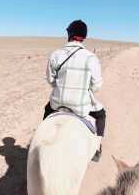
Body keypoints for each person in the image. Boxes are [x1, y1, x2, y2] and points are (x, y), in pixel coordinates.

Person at [43, 20, 106, 162]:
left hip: (57, 103)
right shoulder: (91, 57)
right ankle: (97, 148)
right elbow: (96, 86)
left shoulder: (55, 54)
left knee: (47, 112)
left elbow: (50, 80)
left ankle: (42, 140)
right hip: (80, 107)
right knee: (101, 115)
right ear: (84, 37)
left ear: (69, 34)